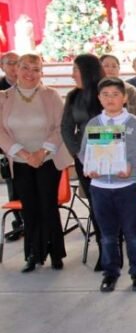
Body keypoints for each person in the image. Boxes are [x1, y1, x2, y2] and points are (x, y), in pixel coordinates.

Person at [80, 77, 136, 292]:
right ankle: (110, 274)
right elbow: (83, 152)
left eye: (115, 94)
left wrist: (132, 165)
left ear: (124, 98)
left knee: (132, 234)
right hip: (100, 188)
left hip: (128, 187)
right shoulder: (94, 124)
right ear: (99, 98)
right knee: (107, 236)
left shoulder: (134, 123)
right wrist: (90, 166)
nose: (110, 99)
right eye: (105, 95)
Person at [0, 54, 73, 272]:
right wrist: (24, 154)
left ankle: (55, 253)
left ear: (42, 72)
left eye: (35, 69)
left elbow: (60, 127)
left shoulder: (51, 95)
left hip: (48, 160)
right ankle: (33, 254)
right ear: (16, 69)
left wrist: (42, 152)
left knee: (48, 206)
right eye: (25, 68)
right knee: (29, 208)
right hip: (20, 161)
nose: (30, 73)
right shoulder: (4, 97)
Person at [61, 54, 107, 269]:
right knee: (95, 205)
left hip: (109, 156)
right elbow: (66, 128)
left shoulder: (106, 91)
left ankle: (114, 245)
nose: (72, 75)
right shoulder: (73, 96)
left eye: (75, 70)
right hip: (83, 159)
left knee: (110, 203)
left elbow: (119, 121)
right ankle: (103, 248)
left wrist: (101, 150)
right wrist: (77, 152)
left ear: (87, 71)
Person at [0, 51, 23, 241]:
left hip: (31, 144)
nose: (15, 66)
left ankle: (34, 223)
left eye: (18, 62)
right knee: (13, 187)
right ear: (2, 66)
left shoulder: (30, 84)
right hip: (7, 147)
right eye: (11, 63)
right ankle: (19, 224)